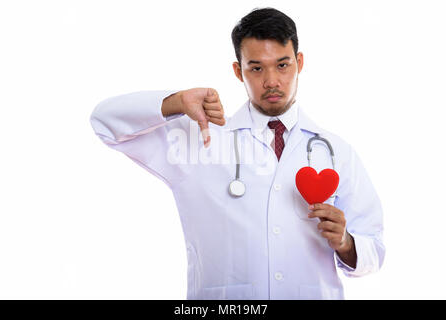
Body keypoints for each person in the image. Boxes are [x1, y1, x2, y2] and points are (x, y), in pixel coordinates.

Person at [89, 7, 385, 300]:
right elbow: (104, 122)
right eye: (256, 68)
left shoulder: (336, 152)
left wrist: (346, 243)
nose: (271, 81)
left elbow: (375, 250)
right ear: (238, 71)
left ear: (299, 62)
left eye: (282, 65)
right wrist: (175, 102)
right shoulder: (201, 142)